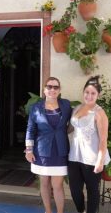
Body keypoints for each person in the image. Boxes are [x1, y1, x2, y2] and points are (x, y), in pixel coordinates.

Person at [25, 77, 72, 213]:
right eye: (49, 87)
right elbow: (30, 129)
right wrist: (29, 150)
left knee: (57, 185)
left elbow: (75, 120)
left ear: (59, 90)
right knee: (44, 183)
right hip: (42, 151)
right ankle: (48, 211)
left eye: (55, 87)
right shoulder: (36, 107)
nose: (52, 89)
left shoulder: (66, 105)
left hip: (60, 151)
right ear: (44, 90)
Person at [68, 75, 111, 213]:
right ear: (83, 92)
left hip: (92, 159)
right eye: (87, 92)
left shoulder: (99, 113)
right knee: (74, 190)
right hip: (74, 156)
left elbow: (104, 139)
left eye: (93, 93)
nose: (89, 95)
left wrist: (100, 161)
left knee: (92, 191)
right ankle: (81, 211)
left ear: (98, 95)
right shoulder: (77, 108)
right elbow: (71, 128)